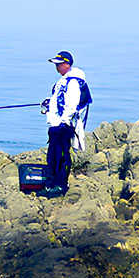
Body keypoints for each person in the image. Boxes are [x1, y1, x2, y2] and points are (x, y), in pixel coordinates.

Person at [39, 50, 91, 197]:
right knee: (53, 155)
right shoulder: (63, 80)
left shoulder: (73, 81)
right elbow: (59, 99)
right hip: (56, 124)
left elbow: (72, 103)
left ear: (67, 64)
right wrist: (49, 102)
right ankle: (51, 184)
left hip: (64, 125)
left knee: (61, 155)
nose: (57, 67)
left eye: (59, 64)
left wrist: (65, 122)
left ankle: (61, 185)